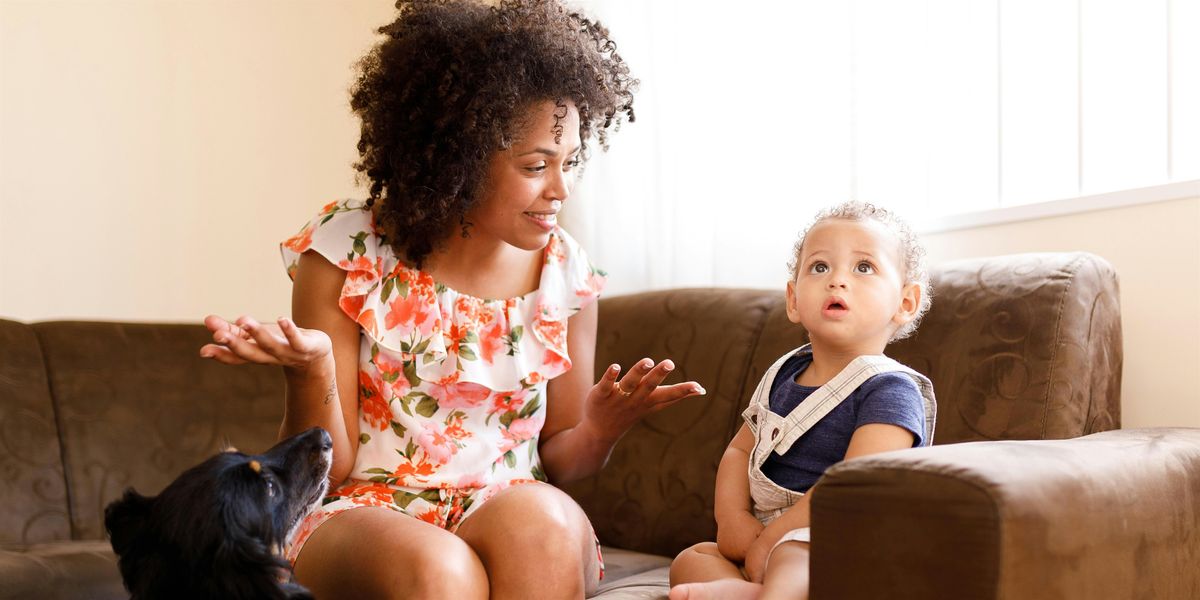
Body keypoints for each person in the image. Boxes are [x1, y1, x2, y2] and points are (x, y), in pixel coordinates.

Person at [199, 1, 705, 598]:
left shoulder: (567, 274)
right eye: (536, 165)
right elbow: (325, 470)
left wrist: (599, 426)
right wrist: (308, 369)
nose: (560, 189)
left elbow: (563, 462)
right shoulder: (347, 251)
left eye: (569, 162)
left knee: (546, 525)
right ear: (457, 159)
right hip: (360, 510)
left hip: (505, 502)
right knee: (443, 571)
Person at [667, 201, 937, 600]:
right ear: (793, 299)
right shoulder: (782, 375)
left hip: (838, 537)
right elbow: (740, 451)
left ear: (905, 302)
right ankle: (755, 591)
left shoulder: (891, 390)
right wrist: (733, 519)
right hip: (762, 538)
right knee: (693, 558)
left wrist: (776, 537)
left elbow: (852, 485)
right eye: (820, 267)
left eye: (863, 267)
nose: (837, 281)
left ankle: (764, 595)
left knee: (795, 555)